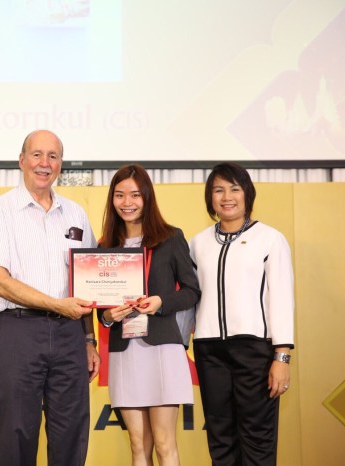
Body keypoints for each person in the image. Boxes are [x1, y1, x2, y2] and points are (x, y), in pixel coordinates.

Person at [0, 129, 100, 466]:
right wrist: (57, 305)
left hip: (70, 336)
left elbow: (86, 283)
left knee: (71, 432)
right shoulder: (0, 209)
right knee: (14, 432)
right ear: (22, 160)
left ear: (61, 164)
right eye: (37, 154)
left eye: (53, 156)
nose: (45, 163)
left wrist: (89, 340)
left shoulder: (76, 214)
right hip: (18, 332)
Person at [189, 162, 294, 466]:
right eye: (218, 190)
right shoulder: (197, 243)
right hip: (209, 351)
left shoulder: (270, 239)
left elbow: (281, 298)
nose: (227, 197)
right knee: (220, 437)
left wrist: (282, 357)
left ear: (247, 193)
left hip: (254, 351)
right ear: (209, 197)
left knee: (257, 437)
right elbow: (190, 297)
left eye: (234, 189)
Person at [96, 165, 201, 466]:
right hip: (124, 351)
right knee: (137, 444)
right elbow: (100, 308)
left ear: (147, 197)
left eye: (135, 195)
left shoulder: (170, 237)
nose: (127, 202)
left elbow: (192, 291)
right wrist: (109, 316)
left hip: (162, 349)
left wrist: (160, 302)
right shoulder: (105, 246)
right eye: (119, 195)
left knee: (165, 442)